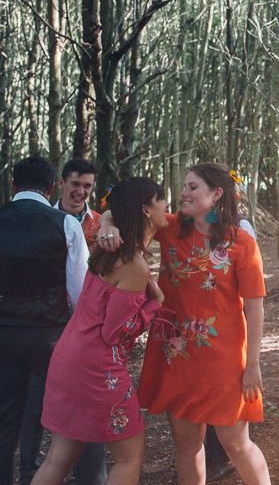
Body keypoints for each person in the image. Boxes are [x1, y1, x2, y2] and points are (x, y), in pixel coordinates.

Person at [98, 162, 271, 485]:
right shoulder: (172, 228)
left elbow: (255, 307)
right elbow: (123, 210)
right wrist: (107, 223)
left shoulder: (242, 244)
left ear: (216, 194)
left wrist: (254, 365)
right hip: (176, 356)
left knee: (235, 443)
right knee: (187, 446)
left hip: (225, 360)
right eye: (184, 186)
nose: (183, 193)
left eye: (192, 187)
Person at [32, 178, 169, 485]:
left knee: (59, 458)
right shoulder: (134, 263)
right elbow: (115, 333)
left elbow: (113, 211)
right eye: (164, 202)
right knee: (130, 455)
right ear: (146, 210)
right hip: (96, 366)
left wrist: (108, 218)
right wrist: (154, 306)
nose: (167, 209)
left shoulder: (109, 246)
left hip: (70, 357)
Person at [19, 158, 108, 485]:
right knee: (35, 399)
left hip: (83, 325)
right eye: (75, 184)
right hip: (46, 323)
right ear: (60, 184)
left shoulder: (101, 226)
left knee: (81, 401)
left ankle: (84, 470)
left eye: (87, 186)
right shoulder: (38, 218)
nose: (81, 192)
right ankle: (29, 465)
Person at [0, 157, 89, 485]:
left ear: (13, 185)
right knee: (39, 409)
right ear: (52, 187)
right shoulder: (66, 224)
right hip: (49, 334)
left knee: (4, 417)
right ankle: (31, 473)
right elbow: (79, 289)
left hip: (4, 332)